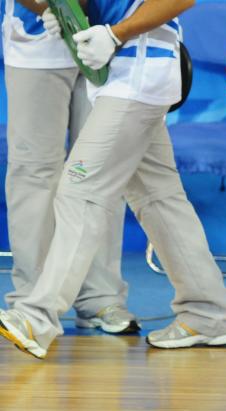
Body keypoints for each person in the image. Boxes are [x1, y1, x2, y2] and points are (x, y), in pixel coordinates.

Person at [0, 0, 226, 359]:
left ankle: (38, 315)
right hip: (121, 75)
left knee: (79, 192)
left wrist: (115, 34)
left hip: (139, 72)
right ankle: (209, 313)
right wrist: (56, 11)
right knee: (158, 197)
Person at [3, 1, 138, 334]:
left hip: (111, 42)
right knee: (35, 171)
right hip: (37, 41)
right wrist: (47, 8)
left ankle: (101, 297)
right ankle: (31, 299)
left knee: (101, 172)